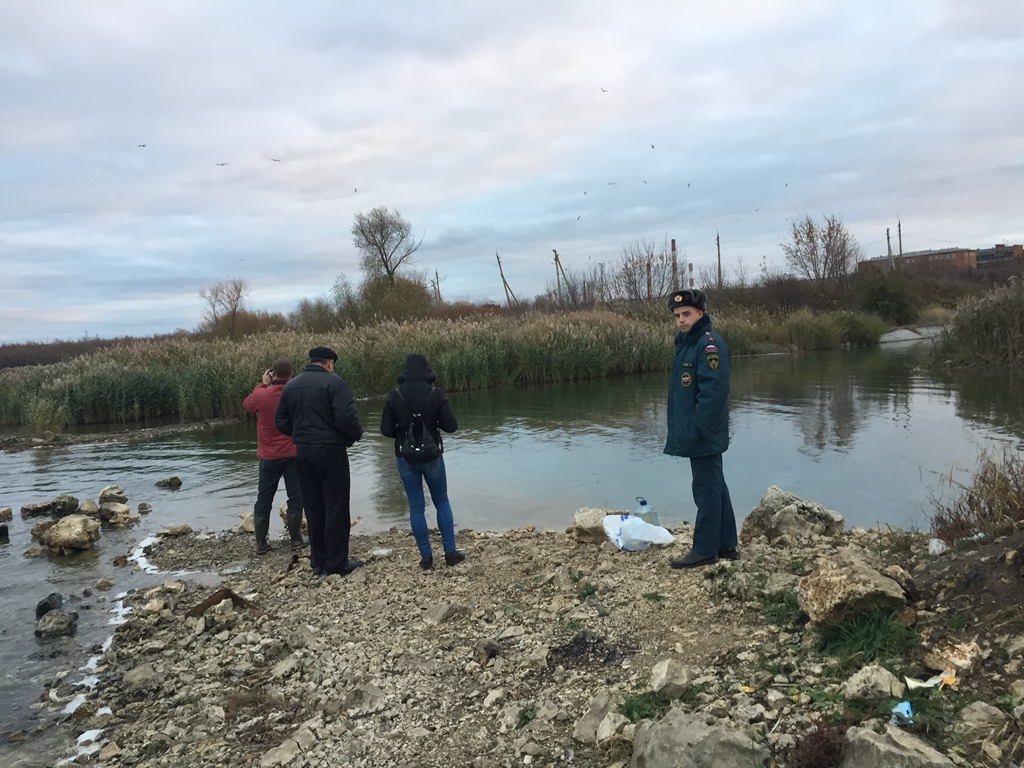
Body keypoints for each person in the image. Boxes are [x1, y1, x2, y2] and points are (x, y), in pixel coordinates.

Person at [663, 288, 739, 569]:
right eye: (677, 316)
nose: (681, 320)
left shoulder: (708, 345)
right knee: (715, 485)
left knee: (705, 488)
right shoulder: (688, 344)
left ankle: (705, 549)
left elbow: (713, 392)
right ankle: (726, 544)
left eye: (687, 314)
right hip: (699, 431)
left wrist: (697, 428)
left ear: (700, 314)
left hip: (704, 432)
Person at [275, 346, 364, 577]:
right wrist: (352, 437)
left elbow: (281, 421)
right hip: (331, 451)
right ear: (329, 363)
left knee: (313, 507)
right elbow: (347, 417)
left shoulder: (291, 385)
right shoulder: (335, 383)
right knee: (335, 506)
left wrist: (300, 435)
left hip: (303, 452)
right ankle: (337, 562)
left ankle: (318, 561)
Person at [380, 353, 465, 570]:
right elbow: (451, 426)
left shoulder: (394, 395)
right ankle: (450, 553)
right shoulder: (435, 394)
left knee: (416, 506)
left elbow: (386, 430)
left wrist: (404, 431)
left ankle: (426, 557)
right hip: (432, 456)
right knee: (441, 502)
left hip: (405, 458)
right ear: (426, 369)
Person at [242, 358, 304, 554]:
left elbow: (247, 405)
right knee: (296, 496)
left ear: (273, 374)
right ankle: (295, 539)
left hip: (269, 455)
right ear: (291, 374)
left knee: (264, 498)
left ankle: (261, 543)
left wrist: (262, 383)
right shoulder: (296, 392)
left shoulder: (262, 394)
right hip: (293, 452)